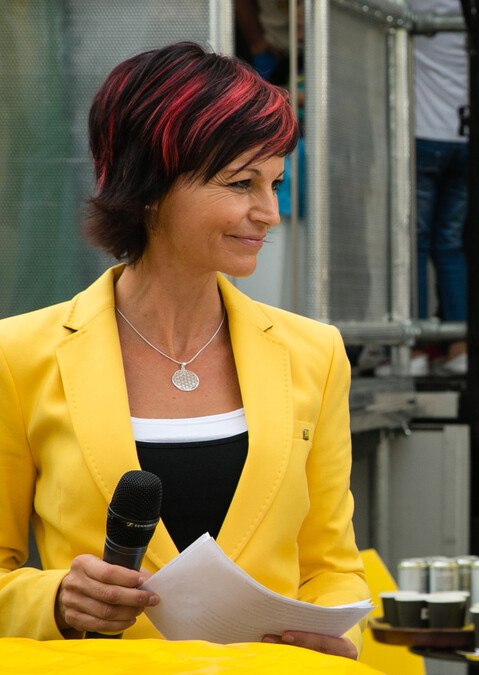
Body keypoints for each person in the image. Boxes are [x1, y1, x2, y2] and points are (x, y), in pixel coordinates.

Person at [0, 42, 367, 658]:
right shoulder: (19, 355)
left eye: (274, 182)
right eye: (241, 183)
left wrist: (332, 630)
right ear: (150, 185)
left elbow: (331, 563)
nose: (270, 213)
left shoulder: (316, 354)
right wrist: (55, 599)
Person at [410, 0, 469, 375]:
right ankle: (460, 349)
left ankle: (413, 352)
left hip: (423, 136)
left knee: (412, 244)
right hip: (466, 139)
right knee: (449, 244)